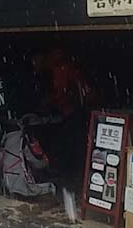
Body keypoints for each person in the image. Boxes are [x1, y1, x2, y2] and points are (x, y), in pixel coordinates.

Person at [31, 48, 95, 182]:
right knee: (73, 145)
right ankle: (73, 174)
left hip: (70, 112)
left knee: (67, 145)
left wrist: (49, 103)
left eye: (35, 61)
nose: (34, 65)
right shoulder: (62, 66)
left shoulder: (58, 69)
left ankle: (68, 175)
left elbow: (60, 93)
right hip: (75, 111)